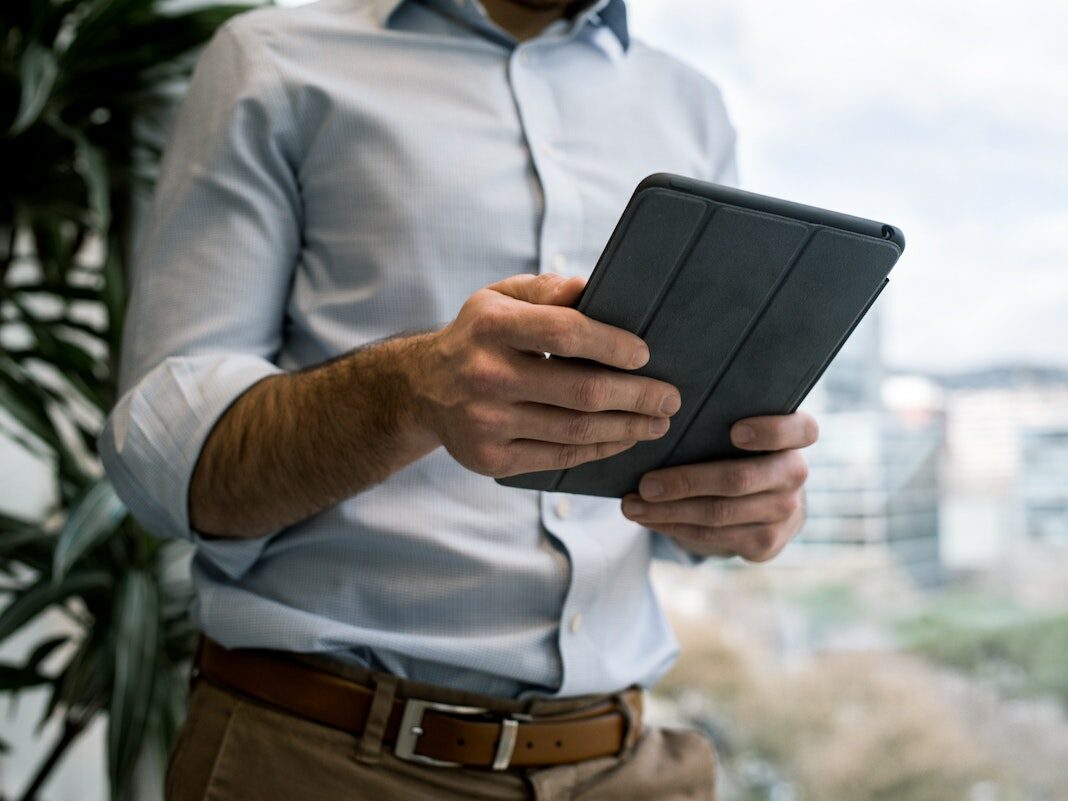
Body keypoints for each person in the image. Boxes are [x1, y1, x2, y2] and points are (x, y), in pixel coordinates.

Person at [99, 0, 818, 798]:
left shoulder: (691, 105)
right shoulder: (273, 58)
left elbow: (687, 452)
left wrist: (747, 499)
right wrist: (411, 392)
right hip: (323, 762)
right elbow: (170, 465)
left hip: (631, 765)